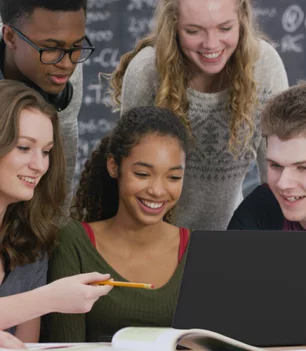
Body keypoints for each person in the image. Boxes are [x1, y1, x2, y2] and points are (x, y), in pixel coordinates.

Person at [109, 0, 289, 230]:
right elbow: (128, 178)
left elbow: (278, 175)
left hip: (230, 237)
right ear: (173, 25)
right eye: (193, 31)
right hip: (154, 237)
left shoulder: (265, 66)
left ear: (242, 20)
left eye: (225, 28)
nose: (211, 44)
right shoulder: (146, 71)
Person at [41, 106, 190, 342]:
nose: (158, 190)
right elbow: (65, 345)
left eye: (173, 177)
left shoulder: (195, 250)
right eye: (142, 174)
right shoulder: (74, 243)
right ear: (114, 166)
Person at [227, 82, 306, 346]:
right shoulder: (261, 207)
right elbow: (219, 304)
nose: (283, 184)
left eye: (303, 168)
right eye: (274, 165)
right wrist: (289, 317)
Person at [0, 80, 112, 346]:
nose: (39, 165)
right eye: (24, 148)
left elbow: (27, 345)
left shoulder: (31, 245)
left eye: (47, 152)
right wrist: (49, 298)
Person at [0, 0, 95, 211]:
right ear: (10, 37)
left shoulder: (66, 73)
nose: (67, 64)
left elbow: (63, 161)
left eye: (77, 46)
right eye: (51, 48)